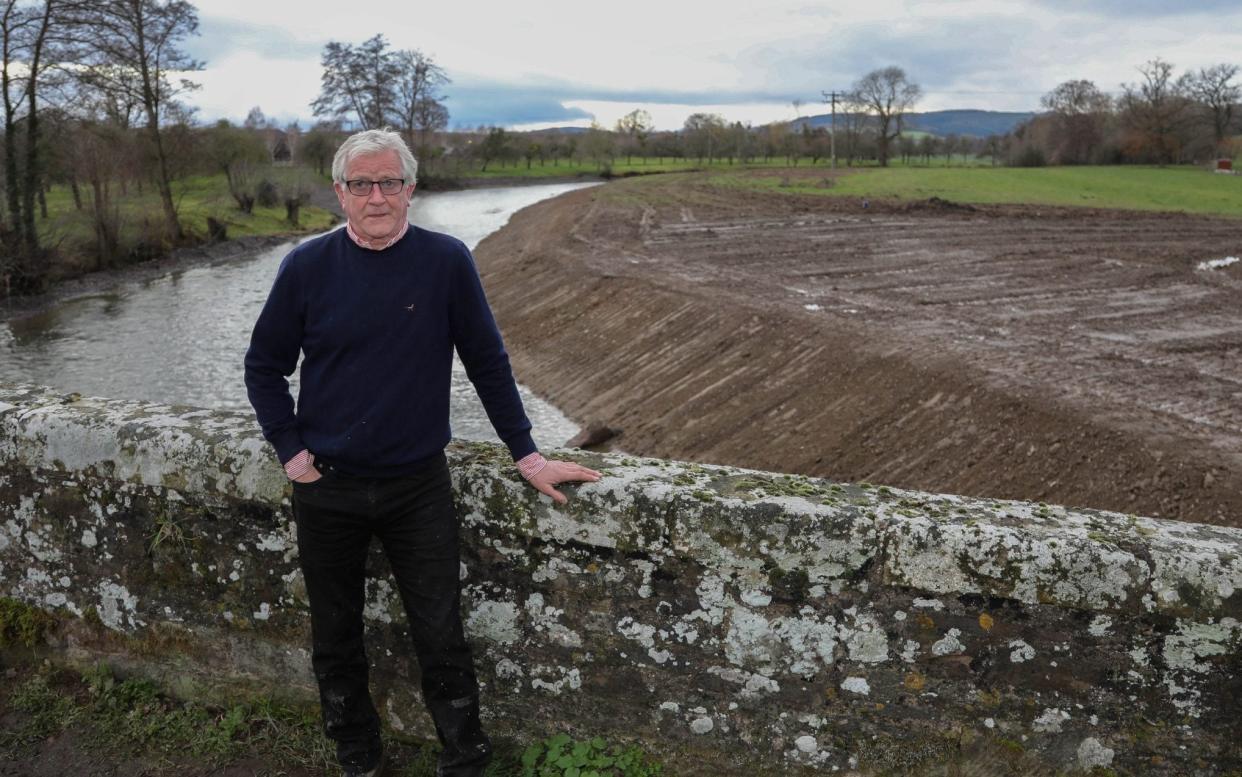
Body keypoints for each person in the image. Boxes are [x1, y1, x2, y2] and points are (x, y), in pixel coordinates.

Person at [244, 128, 600, 777]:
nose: (376, 197)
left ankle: (465, 758)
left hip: (418, 486)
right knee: (336, 635)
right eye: (361, 184)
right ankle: (359, 756)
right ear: (339, 193)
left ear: (411, 190)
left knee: (441, 633)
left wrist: (528, 455)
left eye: (389, 183)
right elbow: (264, 367)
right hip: (328, 489)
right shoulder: (305, 267)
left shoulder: (445, 261)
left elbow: (488, 363)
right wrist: (292, 453)